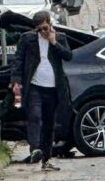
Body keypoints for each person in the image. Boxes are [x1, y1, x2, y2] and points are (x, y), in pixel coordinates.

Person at [10, 11, 72, 170]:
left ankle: (46, 159)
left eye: (45, 28)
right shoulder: (28, 39)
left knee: (49, 123)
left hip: (53, 87)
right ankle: (35, 149)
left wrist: (54, 42)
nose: (43, 32)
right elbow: (18, 60)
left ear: (50, 24)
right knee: (34, 115)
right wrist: (16, 81)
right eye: (39, 29)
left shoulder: (60, 38)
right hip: (34, 85)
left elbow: (68, 55)